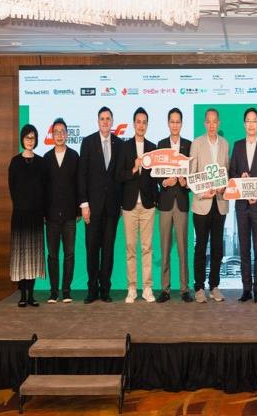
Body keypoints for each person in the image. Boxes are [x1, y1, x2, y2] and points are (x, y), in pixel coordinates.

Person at [78, 106, 123, 303]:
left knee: (108, 250)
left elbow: (120, 177)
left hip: (112, 208)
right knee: (92, 249)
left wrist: (121, 204)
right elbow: (82, 175)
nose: (105, 122)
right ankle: (92, 290)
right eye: (102, 119)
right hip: (92, 207)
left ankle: (105, 289)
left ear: (112, 122)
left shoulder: (119, 144)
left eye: (108, 119)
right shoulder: (88, 142)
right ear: (98, 121)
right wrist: (84, 204)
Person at [229, 107, 257, 303]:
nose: (251, 124)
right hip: (241, 205)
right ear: (244, 124)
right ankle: (246, 289)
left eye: (254, 120)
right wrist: (241, 177)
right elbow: (231, 172)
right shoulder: (237, 146)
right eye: (248, 120)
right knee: (244, 249)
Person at [116, 107, 158, 303]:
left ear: (147, 125)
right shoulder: (124, 147)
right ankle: (132, 288)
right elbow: (118, 175)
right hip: (129, 206)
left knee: (147, 248)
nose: (141, 125)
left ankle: (147, 288)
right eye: (138, 122)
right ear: (134, 124)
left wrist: (156, 200)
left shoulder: (153, 147)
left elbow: (156, 177)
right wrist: (133, 169)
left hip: (148, 206)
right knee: (131, 249)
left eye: (144, 122)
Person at [190, 108, 229, 303]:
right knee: (200, 247)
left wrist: (224, 186)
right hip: (202, 203)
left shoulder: (225, 144)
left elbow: (227, 172)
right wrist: (201, 192)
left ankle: (214, 286)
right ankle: (199, 287)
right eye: (209, 121)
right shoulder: (196, 143)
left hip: (220, 203)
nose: (212, 125)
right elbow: (191, 174)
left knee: (217, 248)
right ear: (204, 123)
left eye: (215, 121)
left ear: (218, 123)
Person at [156, 107, 193, 303]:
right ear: (168, 123)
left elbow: (193, 175)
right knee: (165, 248)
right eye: (172, 121)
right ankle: (165, 289)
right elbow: (155, 173)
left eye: (178, 121)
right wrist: (164, 182)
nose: (175, 125)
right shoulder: (161, 145)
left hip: (182, 203)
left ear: (182, 124)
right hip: (165, 203)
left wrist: (186, 183)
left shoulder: (189, 145)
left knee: (182, 249)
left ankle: (185, 289)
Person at [43, 118, 80, 303]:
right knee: (52, 255)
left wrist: (79, 210)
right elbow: (43, 188)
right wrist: (43, 212)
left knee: (69, 254)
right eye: (56, 132)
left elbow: (79, 185)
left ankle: (66, 291)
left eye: (62, 131)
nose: (59, 135)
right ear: (52, 135)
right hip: (50, 216)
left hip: (70, 215)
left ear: (67, 134)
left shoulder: (74, 156)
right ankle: (53, 292)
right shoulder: (46, 158)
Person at [8, 124, 45, 307]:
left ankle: (31, 296)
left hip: (36, 216)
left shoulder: (41, 162)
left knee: (34, 256)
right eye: (27, 137)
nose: (30, 141)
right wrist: (22, 205)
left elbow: (44, 189)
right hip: (20, 216)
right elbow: (12, 188)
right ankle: (22, 295)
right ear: (22, 139)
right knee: (21, 256)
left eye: (33, 137)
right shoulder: (15, 162)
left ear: (36, 140)